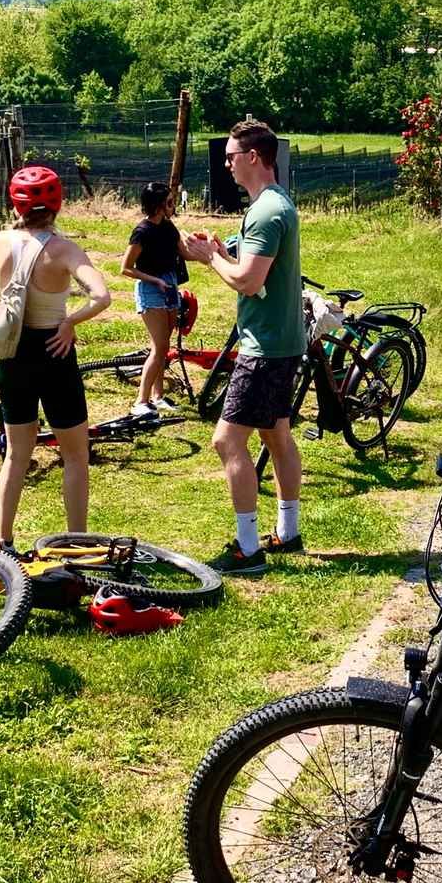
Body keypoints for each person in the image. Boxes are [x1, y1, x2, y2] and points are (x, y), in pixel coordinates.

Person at [0, 165, 111, 553]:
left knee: (17, 453)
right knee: (74, 455)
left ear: (14, 203)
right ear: (57, 204)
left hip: (14, 356)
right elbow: (101, 297)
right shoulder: (66, 249)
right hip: (55, 353)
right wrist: (70, 321)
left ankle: (4, 540)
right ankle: (76, 542)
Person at [179, 118, 304, 576]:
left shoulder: (267, 212)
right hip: (284, 341)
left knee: (227, 440)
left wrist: (211, 258)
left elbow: (250, 282)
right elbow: (255, 270)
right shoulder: (273, 204)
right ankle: (287, 533)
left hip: (265, 347)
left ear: (254, 157)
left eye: (231, 155)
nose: (227, 163)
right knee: (277, 435)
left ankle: (248, 549)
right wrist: (219, 253)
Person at [119, 181, 185, 419]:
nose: (173, 205)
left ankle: (158, 396)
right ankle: (141, 401)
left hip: (170, 285)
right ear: (158, 205)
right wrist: (154, 280)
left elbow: (184, 252)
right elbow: (125, 268)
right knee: (159, 347)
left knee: (164, 345)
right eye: (169, 202)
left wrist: (208, 250)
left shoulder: (168, 227)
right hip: (151, 288)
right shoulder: (142, 231)